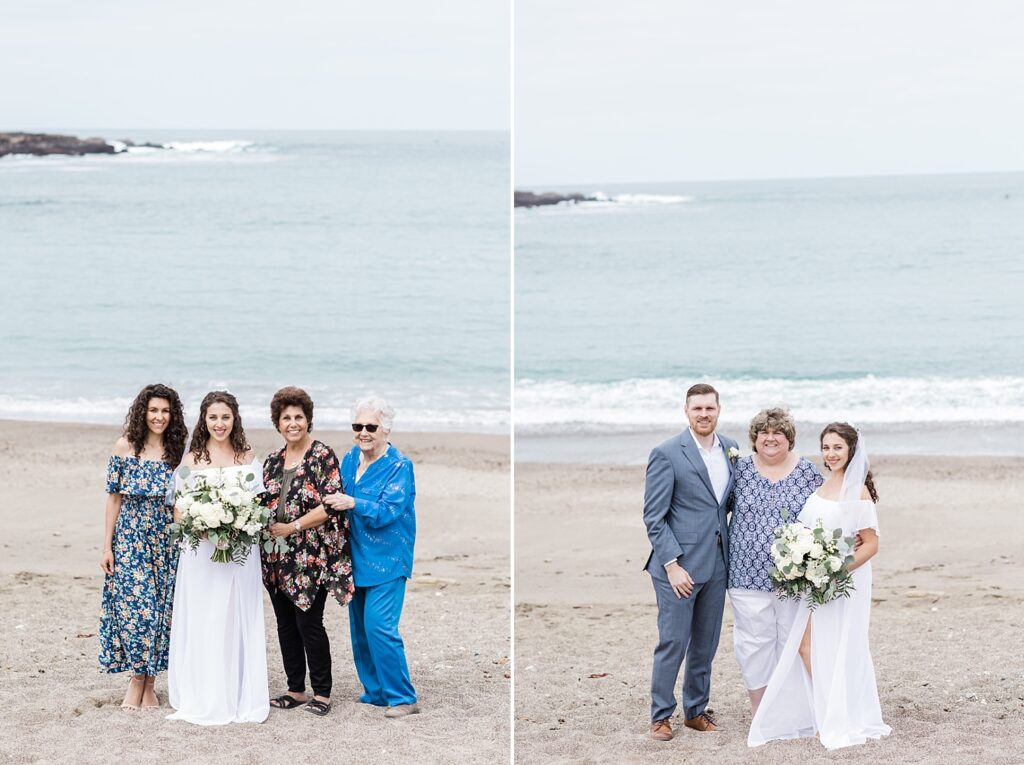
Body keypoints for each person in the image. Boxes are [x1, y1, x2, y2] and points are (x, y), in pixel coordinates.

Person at [748, 422, 891, 750]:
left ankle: (834, 718)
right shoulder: (824, 484)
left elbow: (870, 545)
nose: (831, 453)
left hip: (842, 581)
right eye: (826, 447)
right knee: (812, 645)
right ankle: (829, 713)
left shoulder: (858, 492)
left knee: (834, 644)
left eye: (837, 447)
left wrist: (834, 571)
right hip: (816, 579)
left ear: (851, 450)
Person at [642, 383, 739, 741]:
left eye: (709, 409)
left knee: (706, 643)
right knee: (673, 641)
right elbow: (654, 516)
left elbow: (727, 507)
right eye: (697, 409)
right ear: (686, 412)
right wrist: (671, 564)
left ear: (718, 410)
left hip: (717, 563)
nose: (703, 414)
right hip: (678, 568)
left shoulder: (731, 449)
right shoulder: (667, 453)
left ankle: (695, 711)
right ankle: (661, 715)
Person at [166, 390, 269, 725]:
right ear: (204, 420)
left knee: (237, 615)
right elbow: (179, 510)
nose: (220, 423)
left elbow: (258, 507)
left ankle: (238, 693)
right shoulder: (193, 458)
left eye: (225, 417)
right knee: (205, 615)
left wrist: (237, 525)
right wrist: (203, 527)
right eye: (213, 417)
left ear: (234, 418)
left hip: (239, 552)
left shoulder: (247, 455)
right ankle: (205, 692)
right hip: (201, 552)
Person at [261, 386, 353, 718]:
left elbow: (331, 504)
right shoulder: (272, 460)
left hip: (309, 556)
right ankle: (295, 689)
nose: (293, 423)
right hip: (274, 557)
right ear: (278, 422)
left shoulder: (322, 454)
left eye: (298, 416)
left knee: (309, 623)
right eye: (286, 417)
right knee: (285, 625)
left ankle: (323, 693)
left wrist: (294, 526)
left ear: (308, 419)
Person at [325, 396, 418, 718]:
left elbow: (389, 512)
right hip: (355, 557)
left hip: (389, 559)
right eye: (357, 426)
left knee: (380, 627)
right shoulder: (350, 458)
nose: (363, 432)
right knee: (360, 630)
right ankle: (376, 691)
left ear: (386, 429)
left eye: (371, 427)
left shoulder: (399, 466)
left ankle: (403, 697)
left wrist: (353, 503)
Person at [728, 407, 823, 715]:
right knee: (753, 643)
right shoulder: (738, 470)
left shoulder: (807, 472)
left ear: (789, 439)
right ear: (754, 438)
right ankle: (760, 708)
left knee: (790, 641)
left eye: (777, 432)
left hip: (793, 576)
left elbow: (826, 510)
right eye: (764, 433)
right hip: (745, 573)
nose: (770, 438)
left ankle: (790, 708)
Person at [100, 383, 187, 710]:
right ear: (143, 412)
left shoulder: (177, 452)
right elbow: (113, 497)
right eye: (153, 410)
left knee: (160, 613)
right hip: (130, 537)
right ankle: (137, 680)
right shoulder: (125, 446)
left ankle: (150, 683)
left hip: (165, 540)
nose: (159, 417)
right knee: (134, 610)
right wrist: (106, 546)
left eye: (165, 411)